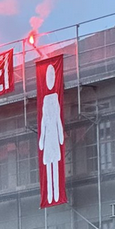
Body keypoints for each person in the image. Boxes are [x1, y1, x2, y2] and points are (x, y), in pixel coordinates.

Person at [39, 64, 64, 203]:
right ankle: (50, 194)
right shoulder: (45, 99)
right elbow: (43, 120)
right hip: (48, 135)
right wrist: (41, 139)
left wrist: (60, 137)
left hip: (53, 135)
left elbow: (58, 119)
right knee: (49, 165)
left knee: (54, 164)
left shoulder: (54, 98)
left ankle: (56, 194)